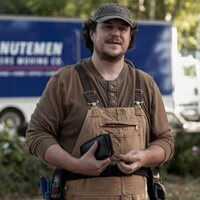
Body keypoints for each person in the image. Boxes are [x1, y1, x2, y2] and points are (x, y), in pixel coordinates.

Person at [26, 3, 174, 199]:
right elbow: (37, 135)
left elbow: (165, 141)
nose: (116, 33)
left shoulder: (145, 84)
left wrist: (145, 157)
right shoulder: (65, 81)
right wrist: (75, 164)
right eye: (108, 27)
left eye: (122, 28)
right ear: (92, 33)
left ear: (130, 37)